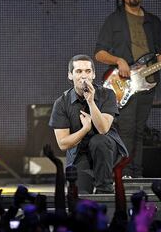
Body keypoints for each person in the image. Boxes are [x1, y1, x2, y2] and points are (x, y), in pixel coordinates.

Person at [94, 0, 161, 178]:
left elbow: (160, 55)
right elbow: (99, 53)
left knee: (139, 131)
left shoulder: (153, 22)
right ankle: (123, 173)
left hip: (147, 83)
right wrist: (119, 60)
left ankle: (136, 174)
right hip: (123, 83)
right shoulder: (114, 20)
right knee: (125, 130)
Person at [49, 54, 128, 194]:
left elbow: (103, 129)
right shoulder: (61, 103)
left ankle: (105, 189)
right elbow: (63, 144)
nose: (84, 76)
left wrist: (91, 102)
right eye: (79, 71)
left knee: (99, 140)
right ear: (70, 75)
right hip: (80, 154)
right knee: (81, 195)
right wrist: (85, 129)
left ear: (93, 75)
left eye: (88, 71)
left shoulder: (107, 94)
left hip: (106, 151)